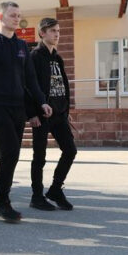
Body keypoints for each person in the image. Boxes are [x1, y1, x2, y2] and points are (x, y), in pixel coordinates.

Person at [0, 1, 52, 223]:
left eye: (19, 15)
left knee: (13, 154)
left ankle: (2, 199)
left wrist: (42, 102)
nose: (17, 19)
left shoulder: (21, 46)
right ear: (1, 17)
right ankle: (1, 201)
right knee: (10, 151)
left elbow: (30, 79)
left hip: (17, 108)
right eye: (12, 15)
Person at [27, 18, 77, 211]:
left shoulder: (57, 58)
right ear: (42, 33)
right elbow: (28, 86)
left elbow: (61, 85)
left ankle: (55, 189)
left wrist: (66, 110)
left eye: (58, 31)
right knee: (39, 157)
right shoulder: (34, 56)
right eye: (53, 31)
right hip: (41, 115)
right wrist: (32, 113)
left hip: (59, 114)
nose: (57, 34)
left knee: (70, 150)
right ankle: (37, 196)